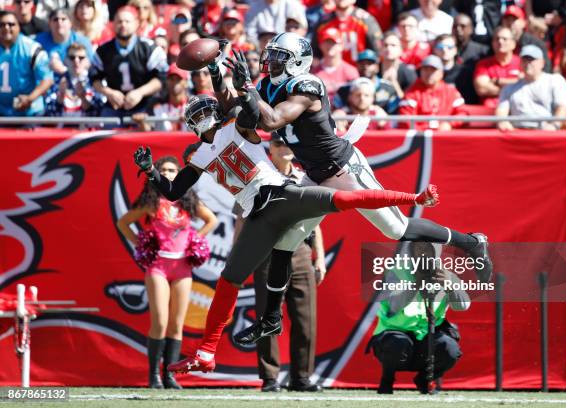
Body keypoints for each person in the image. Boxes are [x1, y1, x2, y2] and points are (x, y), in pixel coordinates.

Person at [134, 92, 441, 375]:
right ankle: (207, 352)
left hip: (282, 195)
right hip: (258, 215)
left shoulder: (236, 127)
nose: (202, 118)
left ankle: (412, 199)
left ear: (215, 111)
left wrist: (237, 82)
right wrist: (152, 172)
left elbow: (251, 109)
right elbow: (173, 192)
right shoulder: (200, 154)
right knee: (229, 279)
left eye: (204, 111)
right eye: (196, 114)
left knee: (346, 198)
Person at [229, 34, 492, 344]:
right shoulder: (267, 87)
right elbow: (245, 120)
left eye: (278, 56)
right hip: (314, 176)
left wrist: (247, 89)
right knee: (284, 245)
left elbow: (272, 121)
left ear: (297, 62)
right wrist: (225, 82)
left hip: (343, 169)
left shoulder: (308, 86)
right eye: (271, 55)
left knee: (397, 229)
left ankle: (471, 242)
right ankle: (271, 320)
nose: (270, 61)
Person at [116, 156, 217, 389]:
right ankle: (154, 376)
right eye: (164, 170)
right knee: (160, 321)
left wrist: (195, 240)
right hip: (158, 267)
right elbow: (123, 223)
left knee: (176, 324)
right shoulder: (151, 201)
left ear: (180, 173)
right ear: (157, 174)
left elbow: (210, 220)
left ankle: (170, 375)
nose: (169, 173)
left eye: (173, 170)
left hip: (183, 267)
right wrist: (140, 244)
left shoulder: (188, 200)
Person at [236, 134, 326, 393]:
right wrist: (238, 257)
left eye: (288, 144)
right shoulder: (256, 177)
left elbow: (315, 222)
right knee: (267, 318)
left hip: (299, 252)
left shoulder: (305, 178)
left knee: (305, 319)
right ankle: (270, 378)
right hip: (265, 253)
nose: (284, 147)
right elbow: (242, 222)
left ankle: (301, 378)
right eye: (279, 143)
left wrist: (318, 257)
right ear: (270, 149)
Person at [368, 242, 468, 394]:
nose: (422, 252)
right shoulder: (396, 272)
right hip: (394, 336)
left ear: (436, 251)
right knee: (397, 343)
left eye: (428, 248)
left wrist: (450, 287)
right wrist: (416, 284)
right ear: (411, 250)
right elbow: (394, 305)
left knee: (450, 350)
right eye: (418, 248)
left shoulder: (446, 275)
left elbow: (463, 306)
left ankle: (424, 380)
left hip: (428, 336)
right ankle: (387, 380)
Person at [90, 6, 167, 121]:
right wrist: (109, 93)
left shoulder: (149, 49)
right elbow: (94, 78)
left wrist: (140, 93)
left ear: (136, 23)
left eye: (127, 21)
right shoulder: (103, 50)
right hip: (114, 106)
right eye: (120, 21)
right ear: (113, 24)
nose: (123, 25)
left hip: (144, 106)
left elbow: (160, 79)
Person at [496, 45, 566, 131]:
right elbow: (501, 112)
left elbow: (562, 107)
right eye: (524, 60)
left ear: (542, 63)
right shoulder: (509, 88)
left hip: (546, 133)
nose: (528, 63)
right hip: (518, 133)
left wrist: (554, 126)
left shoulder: (555, 81)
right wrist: (503, 123)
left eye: (532, 59)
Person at [0, 10, 53, 117]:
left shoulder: (32, 48)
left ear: (19, 27)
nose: (6, 28)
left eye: (11, 24)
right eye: (1, 24)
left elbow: (47, 79)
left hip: (29, 113)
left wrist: (30, 99)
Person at [399, 55, 467, 130]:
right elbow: (405, 117)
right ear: (420, 72)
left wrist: (449, 124)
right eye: (425, 69)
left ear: (441, 73)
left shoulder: (451, 92)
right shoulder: (412, 92)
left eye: (433, 70)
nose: (428, 73)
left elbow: (462, 114)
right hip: (420, 137)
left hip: (445, 136)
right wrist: (424, 129)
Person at [44, 42, 104, 119]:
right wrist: (60, 96)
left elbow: (98, 114)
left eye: (81, 58)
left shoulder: (95, 81)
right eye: (72, 57)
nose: (76, 61)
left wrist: (83, 98)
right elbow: (49, 115)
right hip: (62, 129)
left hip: (87, 129)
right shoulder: (57, 80)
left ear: (87, 61)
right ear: (65, 60)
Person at [312, 0, 382, 65]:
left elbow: (378, 51)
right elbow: (315, 54)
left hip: (359, 72)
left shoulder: (365, 20)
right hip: (332, 73)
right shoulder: (323, 22)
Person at [334, 49, 401, 113]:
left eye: (369, 63)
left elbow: (395, 114)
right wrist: (341, 112)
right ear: (356, 66)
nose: (365, 66)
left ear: (377, 67)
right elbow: (334, 110)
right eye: (362, 63)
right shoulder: (345, 89)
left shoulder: (388, 88)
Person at [35, 8, 94, 75]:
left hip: (74, 82)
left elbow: (91, 67)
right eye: (55, 19)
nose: (59, 22)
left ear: (70, 23)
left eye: (63, 19)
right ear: (49, 23)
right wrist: (48, 65)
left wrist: (65, 71)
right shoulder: (38, 41)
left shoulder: (83, 42)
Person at [132, 63, 190, 131]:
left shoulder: (194, 104)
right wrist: (142, 122)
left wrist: (193, 121)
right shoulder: (155, 104)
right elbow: (148, 130)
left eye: (178, 79)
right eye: (171, 79)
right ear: (166, 81)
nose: (174, 82)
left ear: (186, 83)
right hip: (164, 141)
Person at [473, 26, 521, 108]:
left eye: (504, 39)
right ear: (492, 43)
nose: (500, 41)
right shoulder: (483, 64)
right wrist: (514, 85)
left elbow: (526, 85)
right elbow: (482, 89)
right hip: (490, 111)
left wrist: (498, 81)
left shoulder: (521, 63)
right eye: (497, 39)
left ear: (513, 44)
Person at [312, 27, 359, 105]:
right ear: (320, 45)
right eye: (326, 42)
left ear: (341, 46)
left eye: (333, 43)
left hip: (344, 114)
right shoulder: (313, 72)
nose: (330, 46)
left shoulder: (351, 71)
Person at [500, 5, 551, 72]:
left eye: (514, 20)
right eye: (507, 20)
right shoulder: (498, 42)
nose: (510, 23)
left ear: (523, 23)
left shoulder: (536, 44)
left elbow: (546, 69)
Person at [432, 34, 480, 105]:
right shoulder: (428, 72)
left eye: (449, 47)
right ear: (434, 50)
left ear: (455, 50)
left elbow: (470, 100)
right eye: (440, 47)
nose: (445, 50)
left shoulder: (464, 73)